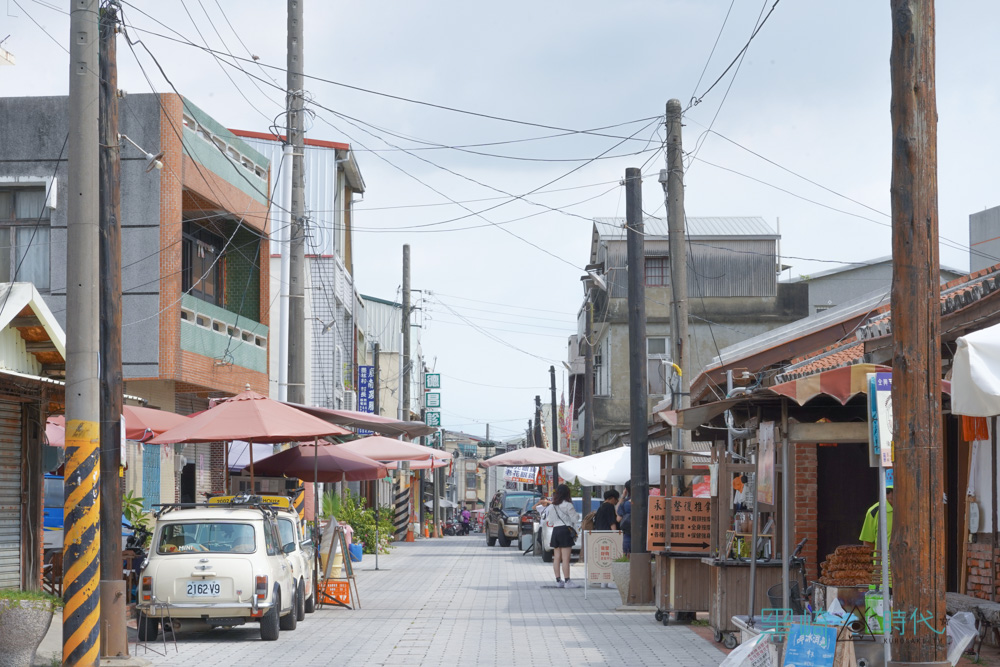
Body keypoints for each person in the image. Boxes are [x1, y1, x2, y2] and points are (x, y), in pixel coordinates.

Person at [536, 484, 580, 588]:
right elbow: (575, 519)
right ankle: (568, 581)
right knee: (566, 558)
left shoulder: (551, 506)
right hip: (565, 531)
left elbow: (550, 521)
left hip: (555, 531)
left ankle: (558, 580)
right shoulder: (568, 505)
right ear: (567, 493)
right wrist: (576, 515)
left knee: (556, 558)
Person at [617, 480, 632, 556]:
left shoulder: (625, 503)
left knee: (628, 560)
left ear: (626, 489)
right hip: (644, 538)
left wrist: (623, 496)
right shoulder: (647, 502)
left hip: (628, 536)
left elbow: (618, 519)